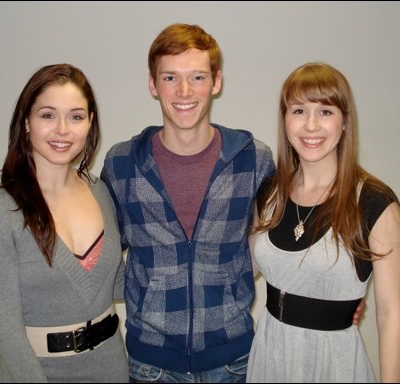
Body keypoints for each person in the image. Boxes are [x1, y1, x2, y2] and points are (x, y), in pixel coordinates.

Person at [100, 23, 275, 383]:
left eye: (197, 77)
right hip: (151, 365)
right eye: (170, 78)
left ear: (216, 82)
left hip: (234, 360)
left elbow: (282, 241)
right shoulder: (122, 164)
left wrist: (329, 302)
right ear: (152, 84)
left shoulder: (253, 160)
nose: (184, 91)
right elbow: (97, 255)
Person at [247, 62, 400, 383]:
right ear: (284, 120)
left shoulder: (375, 204)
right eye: (298, 111)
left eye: (325, 112)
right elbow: (244, 269)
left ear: (345, 122)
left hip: (333, 364)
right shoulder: (269, 193)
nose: (310, 126)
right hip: (270, 356)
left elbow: (390, 316)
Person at [0, 64, 129, 383]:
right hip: (38, 373)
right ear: (26, 122)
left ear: (90, 123)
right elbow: (10, 338)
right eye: (47, 115)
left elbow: (115, 283)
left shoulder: (100, 191)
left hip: (112, 366)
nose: (63, 130)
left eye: (76, 116)